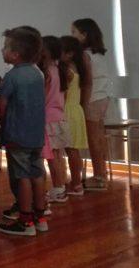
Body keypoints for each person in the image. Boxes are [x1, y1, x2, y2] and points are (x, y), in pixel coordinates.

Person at [0, 27, 47, 236]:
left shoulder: (12, 76)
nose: (2, 50)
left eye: (5, 47)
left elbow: (2, 105)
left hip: (17, 134)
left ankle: (25, 220)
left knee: (22, 176)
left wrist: (2, 122)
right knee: (37, 173)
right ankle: (40, 216)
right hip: (36, 134)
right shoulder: (37, 74)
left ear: (15, 54)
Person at [72, 18, 110, 191]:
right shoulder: (99, 53)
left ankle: (99, 177)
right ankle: (102, 173)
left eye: (74, 32)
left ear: (84, 34)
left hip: (92, 99)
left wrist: (82, 104)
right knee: (100, 138)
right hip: (103, 98)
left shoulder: (85, 55)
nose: (72, 36)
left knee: (94, 139)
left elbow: (87, 82)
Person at [40, 36, 70, 203]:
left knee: (50, 156)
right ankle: (60, 187)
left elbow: (42, 97)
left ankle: (57, 188)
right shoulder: (60, 71)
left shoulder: (46, 73)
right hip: (59, 116)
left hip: (48, 118)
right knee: (58, 154)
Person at [60, 35, 89, 195]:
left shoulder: (67, 71)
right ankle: (76, 182)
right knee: (74, 151)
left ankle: (76, 183)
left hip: (67, 111)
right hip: (76, 110)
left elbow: (62, 96)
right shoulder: (78, 68)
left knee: (70, 151)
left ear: (69, 53)